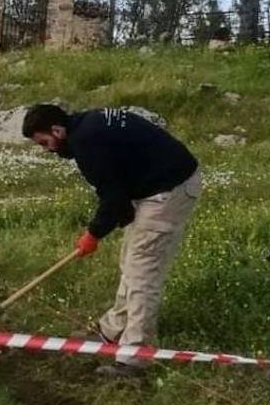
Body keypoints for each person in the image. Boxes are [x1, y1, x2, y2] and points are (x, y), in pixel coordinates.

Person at [21, 105, 201, 378]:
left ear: (57, 131)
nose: (48, 149)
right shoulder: (86, 125)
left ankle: (133, 360)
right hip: (152, 187)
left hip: (170, 189)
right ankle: (112, 332)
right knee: (130, 258)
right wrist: (122, 219)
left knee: (142, 272)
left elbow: (112, 197)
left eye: (46, 142)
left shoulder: (87, 142)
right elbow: (118, 183)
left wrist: (93, 234)